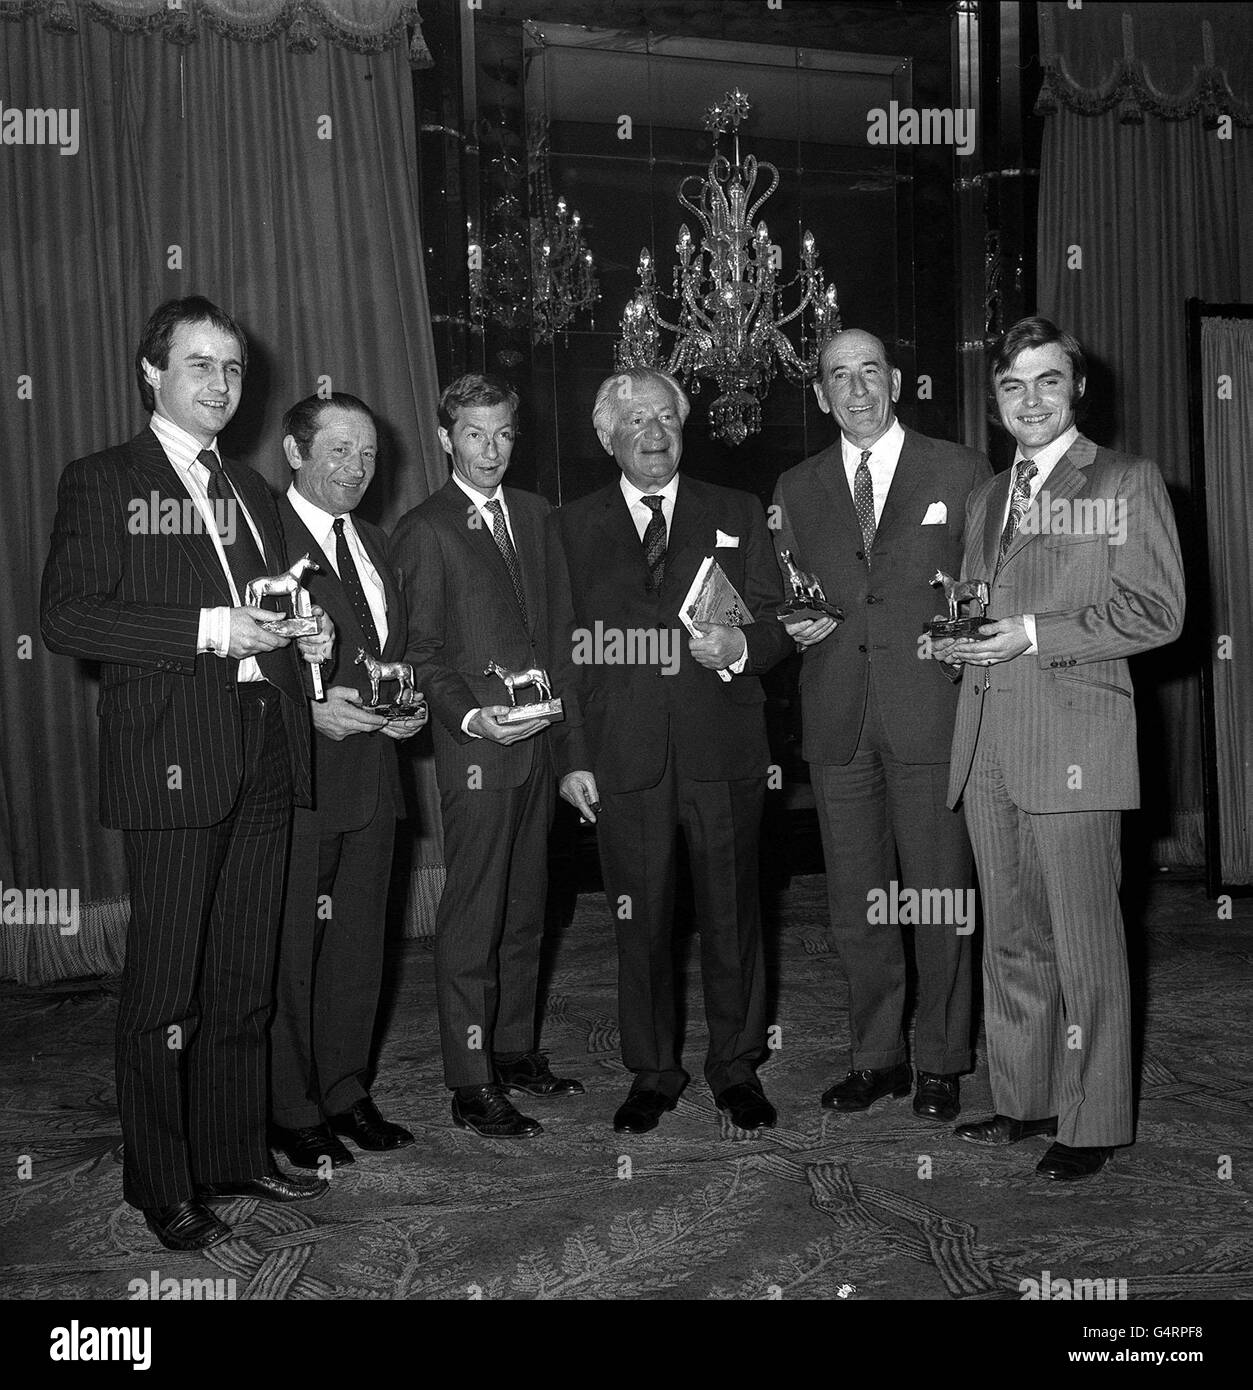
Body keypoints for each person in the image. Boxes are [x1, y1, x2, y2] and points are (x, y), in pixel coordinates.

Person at [40, 296, 331, 1251]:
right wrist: (212, 632)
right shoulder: (103, 479)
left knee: (243, 976)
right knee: (165, 988)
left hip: (261, 742)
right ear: (151, 373)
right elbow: (71, 618)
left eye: (234, 369)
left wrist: (301, 635)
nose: (221, 384)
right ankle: (160, 1183)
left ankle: (231, 1152)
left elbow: (261, 610)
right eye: (200, 365)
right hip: (172, 755)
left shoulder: (249, 488)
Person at [935, 316, 1184, 1180]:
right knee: (1011, 939)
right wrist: (963, 639)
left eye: (1047, 381)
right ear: (995, 400)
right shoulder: (984, 497)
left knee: (1086, 943)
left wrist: (1031, 634)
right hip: (987, 741)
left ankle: (1095, 1119)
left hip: (1074, 743)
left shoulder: (1122, 478)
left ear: (1077, 389)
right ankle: (1026, 1097)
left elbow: (1157, 611)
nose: (1029, 399)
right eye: (1012, 385)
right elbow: (983, 606)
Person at [549, 367, 793, 1135]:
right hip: (623, 756)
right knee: (639, 918)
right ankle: (652, 1070)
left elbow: (783, 621)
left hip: (722, 746)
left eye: (665, 417)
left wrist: (740, 647)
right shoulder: (569, 526)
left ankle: (736, 1066)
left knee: (732, 913)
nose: (653, 434)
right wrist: (572, 758)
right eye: (635, 423)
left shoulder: (737, 509)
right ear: (605, 438)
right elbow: (567, 654)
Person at [772, 329, 992, 1122]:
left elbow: (987, 586)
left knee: (938, 897)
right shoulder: (795, 487)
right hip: (836, 718)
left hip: (929, 711)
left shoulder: (960, 468)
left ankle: (939, 1057)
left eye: (869, 371)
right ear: (821, 393)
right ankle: (876, 1057)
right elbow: (786, 592)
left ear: (895, 380)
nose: (855, 387)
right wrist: (788, 623)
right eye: (838, 375)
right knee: (857, 903)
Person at [389, 374, 582, 1139]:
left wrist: (571, 753)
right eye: (474, 434)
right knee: (473, 920)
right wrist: (471, 716)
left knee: (527, 909)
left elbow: (560, 641)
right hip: (478, 755)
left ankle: (512, 1048)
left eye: (502, 433)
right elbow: (419, 653)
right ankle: (471, 1083)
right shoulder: (424, 528)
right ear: (445, 438)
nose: (491, 449)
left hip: (539, 751)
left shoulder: (536, 515)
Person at [269, 393, 426, 1170]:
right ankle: (289, 1107)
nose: (355, 469)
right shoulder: (259, 536)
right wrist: (306, 711)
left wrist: (409, 710)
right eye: (337, 451)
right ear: (295, 453)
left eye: (367, 455)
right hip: (296, 783)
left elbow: (384, 656)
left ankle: (344, 1090)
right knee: (292, 949)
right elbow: (234, 668)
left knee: (359, 948)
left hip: (374, 780)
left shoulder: (375, 541)